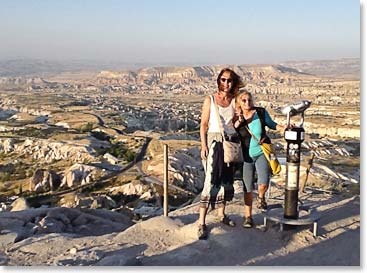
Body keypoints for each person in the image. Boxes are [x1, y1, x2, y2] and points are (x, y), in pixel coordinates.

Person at [198, 68, 243, 240]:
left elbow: (235, 125)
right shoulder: (210, 100)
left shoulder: (234, 101)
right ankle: (201, 222)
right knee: (210, 180)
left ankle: (221, 215)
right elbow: (203, 124)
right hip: (214, 142)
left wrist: (239, 119)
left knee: (226, 180)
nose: (226, 83)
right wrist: (203, 145)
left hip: (230, 143)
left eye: (230, 80)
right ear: (218, 81)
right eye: (223, 80)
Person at [233, 89, 285, 228]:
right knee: (248, 187)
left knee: (264, 181)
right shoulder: (237, 117)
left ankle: (261, 197)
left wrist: (283, 128)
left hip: (261, 152)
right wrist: (239, 120)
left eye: (249, 100)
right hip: (246, 157)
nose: (247, 102)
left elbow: (272, 124)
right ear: (239, 102)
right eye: (243, 100)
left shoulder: (260, 113)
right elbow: (233, 129)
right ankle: (248, 216)